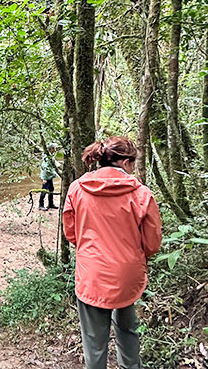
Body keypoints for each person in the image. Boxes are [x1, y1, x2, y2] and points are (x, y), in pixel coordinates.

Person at [62, 136, 162, 369]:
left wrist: (91, 249)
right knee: (128, 330)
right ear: (125, 162)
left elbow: (71, 232)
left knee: (94, 341)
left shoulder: (77, 188)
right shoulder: (141, 194)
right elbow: (152, 242)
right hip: (127, 273)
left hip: (92, 274)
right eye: (134, 162)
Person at [39, 142, 59, 211]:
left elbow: (54, 162)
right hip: (46, 177)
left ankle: (50, 204)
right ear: (51, 149)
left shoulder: (50, 155)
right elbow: (44, 167)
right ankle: (41, 205)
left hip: (49, 176)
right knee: (44, 190)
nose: (55, 149)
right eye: (54, 148)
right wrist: (44, 179)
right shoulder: (46, 157)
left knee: (51, 189)